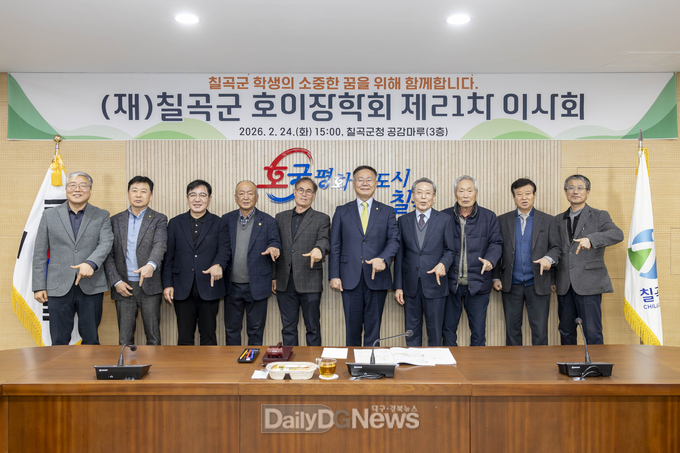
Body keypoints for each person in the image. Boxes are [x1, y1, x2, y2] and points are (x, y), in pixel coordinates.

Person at [32, 171, 114, 345]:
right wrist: (38, 286)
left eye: (83, 185)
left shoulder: (101, 215)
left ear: (90, 190)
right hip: (57, 286)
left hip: (91, 286)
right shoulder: (49, 215)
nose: (77, 189)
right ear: (66, 189)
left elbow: (106, 243)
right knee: (59, 341)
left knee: (91, 339)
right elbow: (40, 252)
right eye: (72, 185)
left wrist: (91, 263)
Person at [329, 165, 400, 346]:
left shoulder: (387, 211)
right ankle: (352, 362)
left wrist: (383, 259)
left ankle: (371, 362)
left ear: (376, 183)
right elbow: (335, 245)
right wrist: (334, 275)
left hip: (377, 277)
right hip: (349, 277)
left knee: (373, 329)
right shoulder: (342, 211)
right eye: (360, 179)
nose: (365, 183)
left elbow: (394, 240)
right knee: (352, 329)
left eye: (369, 179)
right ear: (353, 183)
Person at [552, 174, 623, 345]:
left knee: (592, 332)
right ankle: (569, 362)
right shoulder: (557, 219)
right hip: (564, 284)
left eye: (580, 188)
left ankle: (595, 363)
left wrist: (591, 239)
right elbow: (555, 249)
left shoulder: (599, 215)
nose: (575, 191)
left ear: (588, 192)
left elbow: (617, 234)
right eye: (571, 188)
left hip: (589, 284)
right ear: (565, 191)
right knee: (566, 332)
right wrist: (553, 279)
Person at [492, 178, 561, 346]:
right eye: (519, 194)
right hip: (511, 283)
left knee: (540, 331)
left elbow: (556, 247)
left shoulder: (548, 220)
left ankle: (540, 362)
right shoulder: (502, 220)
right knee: (512, 330)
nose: (524, 198)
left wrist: (549, 261)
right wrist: (495, 277)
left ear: (534, 195)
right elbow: (495, 249)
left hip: (539, 282)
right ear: (513, 197)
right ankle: (513, 362)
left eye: (528, 193)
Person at [162, 180, 230, 345]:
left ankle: (209, 364)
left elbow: (225, 249)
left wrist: (218, 264)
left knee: (209, 336)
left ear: (209, 199)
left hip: (209, 286)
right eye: (193, 195)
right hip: (181, 286)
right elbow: (168, 255)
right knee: (184, 337)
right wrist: (167, 284)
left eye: (202, 195)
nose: (197, 199)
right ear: (187, 198)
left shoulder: (219, 223)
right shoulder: (175, 223)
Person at [104, 176, 167, 346]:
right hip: (123, 286)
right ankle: (126, 364)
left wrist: (151, 265)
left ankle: (154, 363)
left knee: (153, 337)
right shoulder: (114, 220)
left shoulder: (159, 219)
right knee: (124, 339)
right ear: (128, 193)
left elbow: (160, 244)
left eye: (143, 191)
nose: (138, 195)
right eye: (134, 191)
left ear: (151, 196)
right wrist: (116, 282)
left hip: (150, 285)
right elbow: (108, 254)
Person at [442, 175, 502, 347]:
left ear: (476, 193)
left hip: (478, 283)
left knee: (478, 332)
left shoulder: (489, 216)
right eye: (461, 191)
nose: (465, 195)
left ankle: (477, 365)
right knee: (447, 331)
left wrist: (490, 260)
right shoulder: (444, 216)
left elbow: (496, 243)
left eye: (469, 190)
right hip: (450, 284)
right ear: (455, 194)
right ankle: (450, 363)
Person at [394, 178, 454, 346]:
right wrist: (398, 286)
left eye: (428, 193)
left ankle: (435, 363)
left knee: (435, 333)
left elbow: (450, 250)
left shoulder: (444, 219)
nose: (423, 197)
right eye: (419, 192)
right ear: (412, 196)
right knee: (411, 333)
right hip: (410, 286)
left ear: (434, 197)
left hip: (435, 284)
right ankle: (413, 362)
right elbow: (399, 255)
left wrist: (444, 264)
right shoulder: (403, 220)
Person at [274, 177, 330, 346]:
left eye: (308, 191)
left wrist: (319, 249)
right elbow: (275, 245)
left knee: (312, 327)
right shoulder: (280, 217)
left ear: (314, 195)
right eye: (300, 190)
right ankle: (291, 360)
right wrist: (273, 277)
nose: (304, 194)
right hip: (284, 281)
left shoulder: (321, 218)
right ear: (294, 192)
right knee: (288, 328)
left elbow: (324, 239)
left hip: (309, 280)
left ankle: (313, 360)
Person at [223, 181, 281, 345]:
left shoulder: (268, 221)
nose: (246, 197)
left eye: (250, 193)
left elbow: (275, 241)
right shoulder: (226, 220)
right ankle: (232, 361)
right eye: (241, 193)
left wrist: (274, 247)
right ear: (235, 198)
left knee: (256, 331)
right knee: (231, 330)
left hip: (258, 284)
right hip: (231, 285)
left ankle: (253, 361)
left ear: (257, 197)